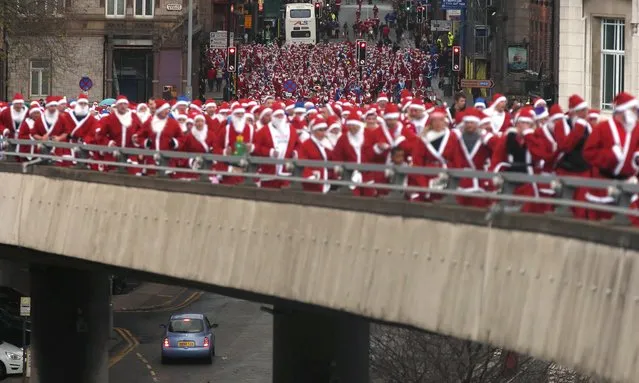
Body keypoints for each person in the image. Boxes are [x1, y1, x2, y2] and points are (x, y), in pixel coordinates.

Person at [583, 92, 639, 222]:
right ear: (622, 110)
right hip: (604, 185)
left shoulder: (636, 129)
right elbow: (588, 153)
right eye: (633, 109)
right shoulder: (602, 128)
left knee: (632, 222)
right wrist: (611, 155)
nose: (636, 113)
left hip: (627, 184)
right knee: (601, 223)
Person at [253, 106, 299, 189]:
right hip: (268, 173)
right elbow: (256, 147)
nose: (280, 118)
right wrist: (269, 152)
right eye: (277, 116)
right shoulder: (264, 131)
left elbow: (298, 145)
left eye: (281, 115)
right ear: (273, 117)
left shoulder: (291, 129)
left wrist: (295, 152)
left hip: (286, 172)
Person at [96, 95, 144, 174]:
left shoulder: (134, 117)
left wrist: (137, 137)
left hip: (131, 154)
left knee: (133, 176)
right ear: (116, 106)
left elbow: (142, 132)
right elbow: (101, 135)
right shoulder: (110, 118)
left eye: (124, 104)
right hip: (114, 154)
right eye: (120, 104)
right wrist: (109, 142)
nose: (123, 106)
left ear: (127, 105)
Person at [176, 114, 215, 181]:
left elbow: (215, 146)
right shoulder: (189, 136)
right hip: (193, 161)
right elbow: (184, 149)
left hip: (207, 161)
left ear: (204, 122)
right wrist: (189, 160)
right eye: (197, 121)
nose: (200, 123)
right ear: (194, 123)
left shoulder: (211, 134)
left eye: (201, 121)